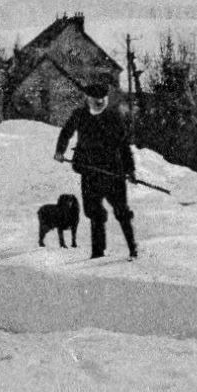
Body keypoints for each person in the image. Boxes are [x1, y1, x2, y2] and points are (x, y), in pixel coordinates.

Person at [53, 81, 139, 259]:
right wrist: (60, 150)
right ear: (88, 99)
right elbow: (66, 132)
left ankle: (133, 247)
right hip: (89, 171)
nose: (99, 102)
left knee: (121, 210)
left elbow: (123, 146)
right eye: (95, 99)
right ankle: (98, 252)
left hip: (113, 172)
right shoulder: (79, 115)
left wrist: (129, 170)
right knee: (94, 212)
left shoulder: (114, 117)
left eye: (103, 99)